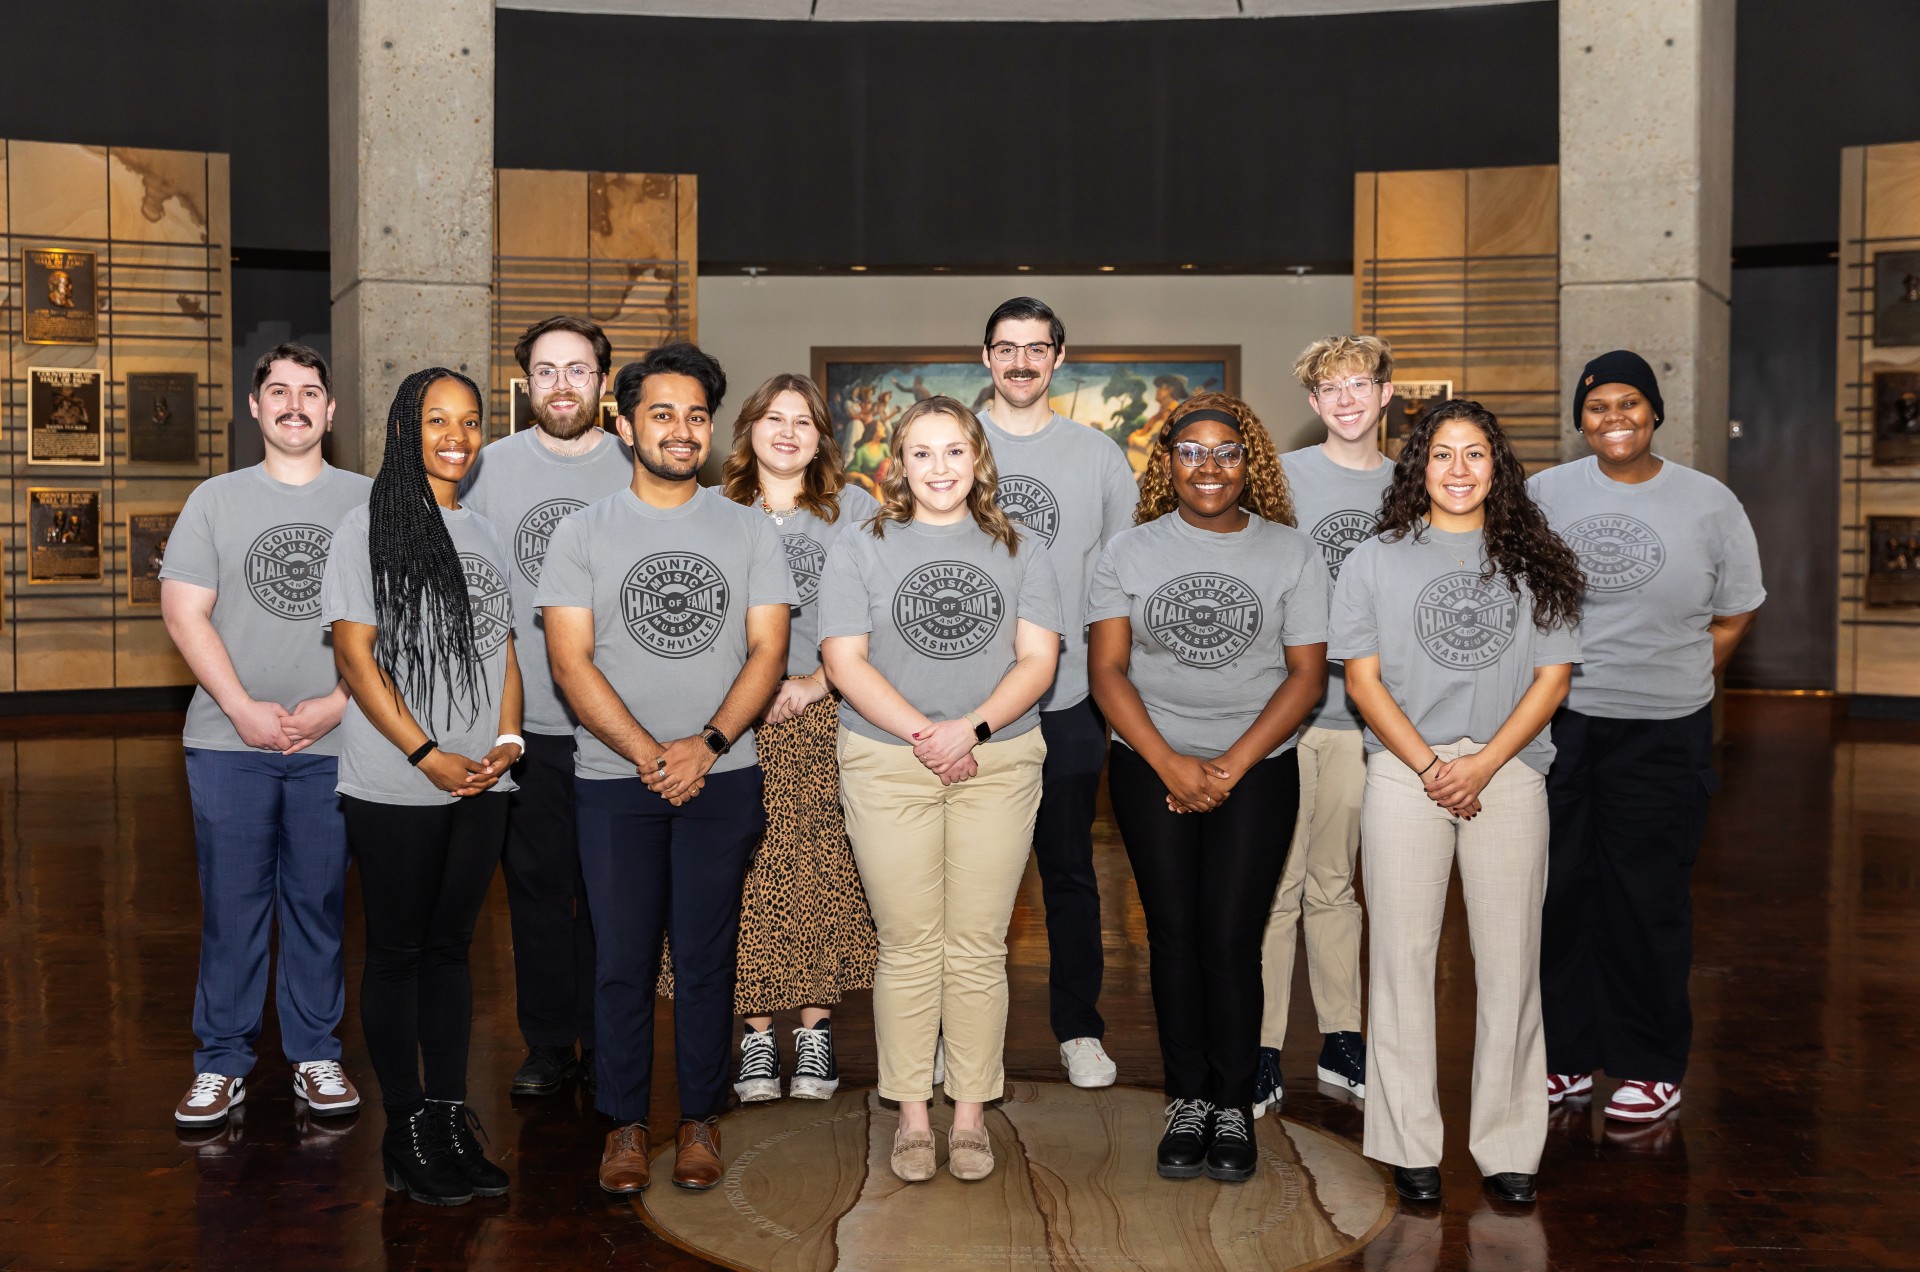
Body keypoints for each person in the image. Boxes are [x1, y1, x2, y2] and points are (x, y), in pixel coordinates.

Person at [536, 342, 791, 1197]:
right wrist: (651, 754)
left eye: (694, 415)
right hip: (615, 783)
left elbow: (768, 649)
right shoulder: (582, 533)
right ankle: (624, 1123)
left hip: (724, 777)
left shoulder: (751, 526)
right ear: (624, 425)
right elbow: (571, 664)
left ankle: (699, 1120)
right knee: (621, 956)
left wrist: (707, 746)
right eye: (661, 413)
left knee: (709, 957)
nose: (681, 430)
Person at [1331, 399, 1584, 1207]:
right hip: (1406, 774)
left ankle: (1509, 1145)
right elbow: (1362, 682)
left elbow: (1553, 680)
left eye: (1476, 455)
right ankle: (1409, 1142)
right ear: (1419, 466)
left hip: (1506, 772)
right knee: (1400, 960)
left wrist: (1482, 765)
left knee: (1510, 965)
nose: (1460, 470)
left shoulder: (1537, 558)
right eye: (1443, 454)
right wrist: (1432, 765)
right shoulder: (1373, 560)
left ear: (1497, 467)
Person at [1087, 394, 1330, 1183]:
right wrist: (1170, 763)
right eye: (1191, 452)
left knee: (1231, 938)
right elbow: (1108, 671)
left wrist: (1227, 769)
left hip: (1258, 770)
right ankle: (1185, 1098)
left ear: (1249, 461)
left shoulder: (1292, 552)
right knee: (1174, 935)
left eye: (1227, 451)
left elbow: (1306, 676)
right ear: (1167, 464)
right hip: (1148, 763)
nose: (1210, 467)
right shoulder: (1124, 552)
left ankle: (1232, 1104)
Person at [819, 396, 1062, 1183]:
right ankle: (911, 1114)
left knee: (978, 945)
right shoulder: (861, 544)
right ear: (897, 463)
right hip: (888, 764)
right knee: (910, 944)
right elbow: (844, 661)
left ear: (978, 458)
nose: (939, 468)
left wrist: (972, 731)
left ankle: (969, 1113)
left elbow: (1038, 661)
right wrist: (929, 733)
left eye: (954, 452)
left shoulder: (1021, 546)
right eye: (921, 453)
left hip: (999, 761)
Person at [1529, 351, 1764, 1124]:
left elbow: (1733, 613)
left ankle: (1648, 1062)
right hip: (1559, 722)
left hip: (1664, 730)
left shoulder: (1709, 502)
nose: (1615, 419)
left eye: (1630, 404)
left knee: (1646, 896)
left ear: (1655, 412)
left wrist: (1680, 674)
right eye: (1598, 407)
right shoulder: (1543, 494)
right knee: (1558, 893)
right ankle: (1562, 1057)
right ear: (1581, 420)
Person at [322, 367, 523, 1206]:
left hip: (486, 782)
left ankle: (446, 1116)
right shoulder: (363, 530)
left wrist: (508, 739)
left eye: (470, 421)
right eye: (437, 420)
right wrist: (424, 753)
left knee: (451, 954)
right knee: (399, 953)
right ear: (406, 429)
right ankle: (404, 1131)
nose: (457, 435)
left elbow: (504, 645)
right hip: (397, 782)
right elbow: (354, 658)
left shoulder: (482, 528)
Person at [160, 343, 370, 1130]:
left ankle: (317, 1054)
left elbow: (393, 622)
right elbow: (185, 611)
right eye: (277, 391)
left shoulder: (371, 500)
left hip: (337, 741)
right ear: (254, 407)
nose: (293, 404)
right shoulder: (214, 500)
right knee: (233, 906)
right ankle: (221, 1064)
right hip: (227, 741)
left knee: (317, 904)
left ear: (330, 411)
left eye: (309, 392)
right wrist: (244, 707)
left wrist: (340, 701)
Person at [460, 315, 632, 1098]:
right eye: (546, 371)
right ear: (525, 382)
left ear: (603, 379)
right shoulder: (485, 469)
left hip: (618, 725)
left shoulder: (640, 468)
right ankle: (547, 1044)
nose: (562, 385)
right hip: (522, 723)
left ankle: (607, 1039)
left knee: (609, 894)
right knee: (533, 893)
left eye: (579, 370)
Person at [974, 296, 1136, 1088]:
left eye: (1037, 349)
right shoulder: (953, 448)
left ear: (1059, 359)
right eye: (1007, 349)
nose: (1022, 363)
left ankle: (1079, 1029)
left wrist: (1114, 692)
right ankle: (962, 1039)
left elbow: (1118, 583)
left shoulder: (1099, 458)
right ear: (986, 358)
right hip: (969, 705)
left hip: (1069, 701)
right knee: (971, 882)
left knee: (1069, 871)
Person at [713, 373, 879, 1103]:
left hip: (827, 717)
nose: (786, 432)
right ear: (748, 430)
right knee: (740, 874)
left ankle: (814, 1031)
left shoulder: (858, 514)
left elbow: (883, 619)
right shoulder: (712, 513)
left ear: (822, 437)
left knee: (818, 869)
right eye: (772, 418)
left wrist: (816, 683)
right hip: (729, 725)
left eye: (803, 421)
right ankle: (753, 1036)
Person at [1255, 335, 1398, 1114]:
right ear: (1314, 404)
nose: (1346, 400)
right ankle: (1264, 1047)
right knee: (1275, 884)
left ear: (1384, 395)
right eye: (1330, 389)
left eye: (1359, 385)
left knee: (1336, 883)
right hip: (1280, 714)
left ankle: (1344, 1040)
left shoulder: (1415, 482)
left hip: (1362, 718)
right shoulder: (1279, 478)